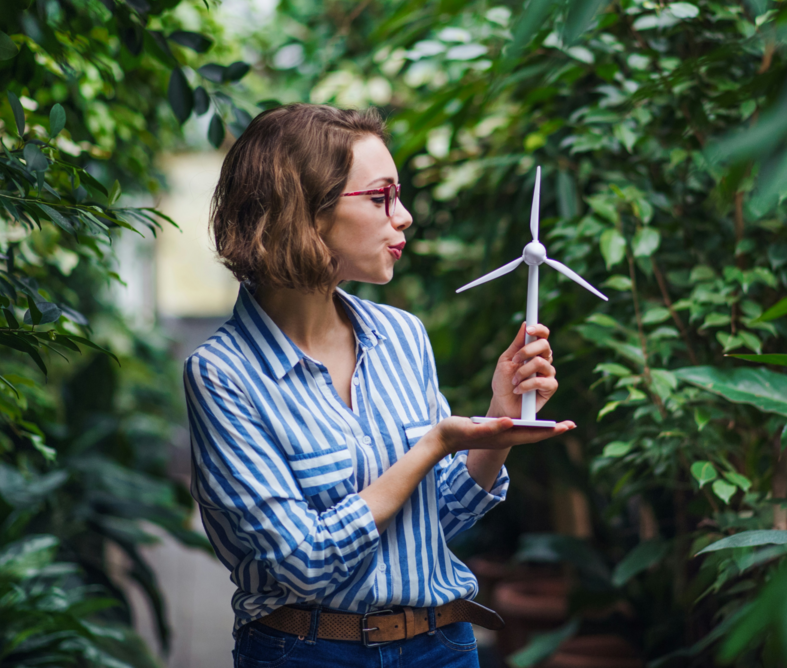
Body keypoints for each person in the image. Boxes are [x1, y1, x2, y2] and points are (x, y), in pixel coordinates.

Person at [183, 103, 575, 668]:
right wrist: (434, 444)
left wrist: (501, 418)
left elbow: (437, 515)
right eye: (381, 196)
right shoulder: (224, 375)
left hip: (440, 646)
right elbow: (303, 560)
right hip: (307, 653)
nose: (405, 216)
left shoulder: (402, 336)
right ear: (305, 211)